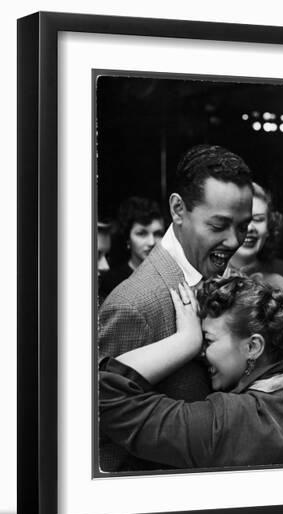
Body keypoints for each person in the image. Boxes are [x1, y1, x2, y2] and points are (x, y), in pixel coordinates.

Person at [98, 144, 253, 471]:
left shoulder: (234, 281)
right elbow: (103, 439)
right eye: (218, 225)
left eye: (242, 227)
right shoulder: (134, 304)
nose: (234, 240)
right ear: (178, 209)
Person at [99, 276, 283, 468]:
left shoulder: (224, 421)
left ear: (253, 347)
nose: (201, 353)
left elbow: (105, 393)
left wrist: (185, 341)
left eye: (208, 341)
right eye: (199, 342)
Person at [227, 182, 283, 296]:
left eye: (258, 219)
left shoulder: (282, 273)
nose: (250, 228)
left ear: (269, 227)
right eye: (242, 219)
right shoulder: (204, 271)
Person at [99, 196, 165, 302]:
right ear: (128, 238)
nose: (152, 242)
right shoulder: (111, 282)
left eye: (158, 234)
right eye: (142, 234)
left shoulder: (169, 276)